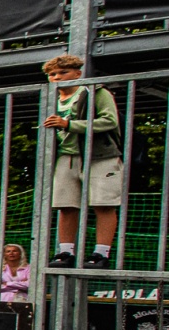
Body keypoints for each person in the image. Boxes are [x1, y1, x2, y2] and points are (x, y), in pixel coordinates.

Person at [42, 53, 120, 268]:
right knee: (66, 205)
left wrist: (69, 124)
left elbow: (110, 121)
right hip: (66, 156)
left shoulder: (96, 92)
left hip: (99, 155)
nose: (57, 77)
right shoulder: (50, 98)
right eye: (52, 74)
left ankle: (101, 254)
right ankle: (65, 252)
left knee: (103, 204)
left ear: (78, 73)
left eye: (63, 72)